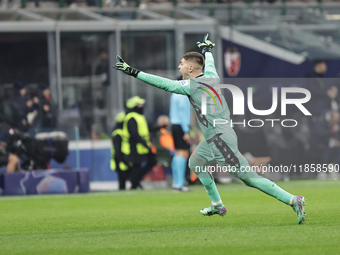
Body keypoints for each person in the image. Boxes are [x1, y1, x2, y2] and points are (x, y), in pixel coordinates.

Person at [114, 34, 306, 224]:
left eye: (181, 63)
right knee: (195, 163)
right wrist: (207, 50)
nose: (179, 66)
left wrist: (133, 72)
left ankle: (293, 200)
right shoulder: (212, 76)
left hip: (220, 138)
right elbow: (211, 64)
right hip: (215, 137)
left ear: (190, 68)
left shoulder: (192, 86)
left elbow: (164, 83)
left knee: (250, 179)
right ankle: (217, 205)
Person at [121, 96, 157, 189]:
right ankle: (134, 184)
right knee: (136, 166)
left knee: (150, 161)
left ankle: (135, 181)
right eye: (139, 104)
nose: (141, 106)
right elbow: (134, 134)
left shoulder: (139, 116)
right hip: (133, 146)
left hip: (141, 146)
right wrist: (146, 145)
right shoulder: (131, 117)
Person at [169, 93, 191, 191]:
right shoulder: (183, 95)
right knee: (183, 153)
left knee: (178, 153)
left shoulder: (174, 94)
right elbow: (183, 113)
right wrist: (186, 130)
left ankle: (176, 182)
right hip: (181, 126)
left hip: (174, 124)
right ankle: (180, 184)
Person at [111, 112, 131, 190]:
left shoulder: (120, 132)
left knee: (124, 181)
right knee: (124, 181)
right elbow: (117, 150)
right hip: (120, 161)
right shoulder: (118, 134)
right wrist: (124, 161)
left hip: (122, 160)